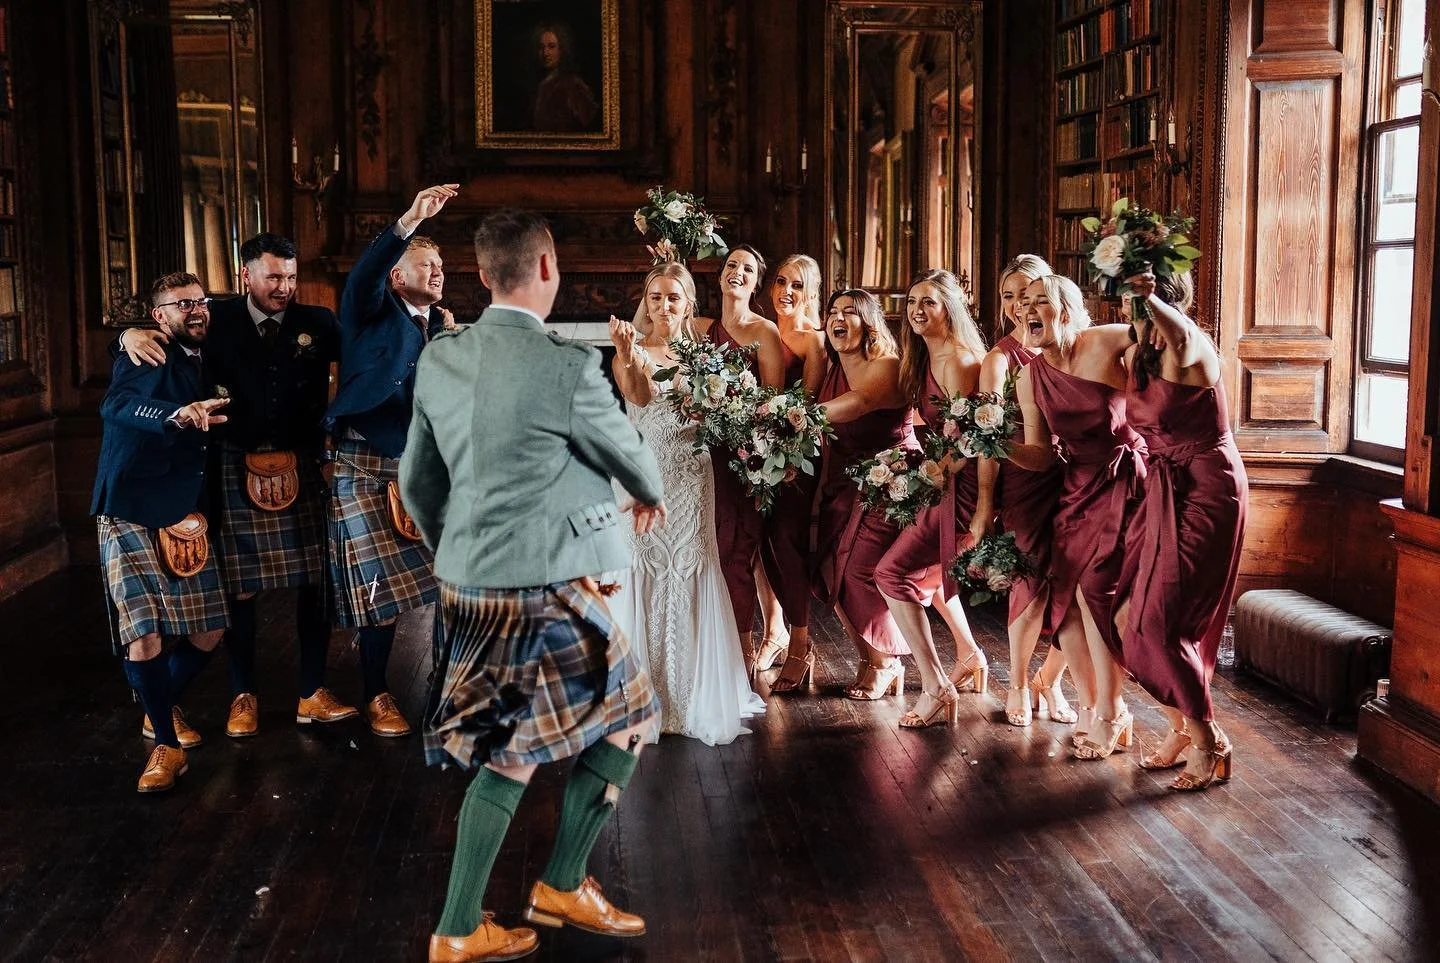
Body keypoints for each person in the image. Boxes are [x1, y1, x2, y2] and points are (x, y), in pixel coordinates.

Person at [399, 208, 665, 961]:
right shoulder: (566, 365)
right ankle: (512, 905)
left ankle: (494, 912)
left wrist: (461, 549)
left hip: (468, 581)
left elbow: (417, 481)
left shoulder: (440, 359)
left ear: (484, 275)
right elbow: (628, 456)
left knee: (511, 746)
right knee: (623, 718)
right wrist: (646, 491)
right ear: (547, 266)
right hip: (540, 588)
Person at [119, 233, 348, 738]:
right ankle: (243, 695)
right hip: (232, 461)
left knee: (316, 581)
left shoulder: (319, 322)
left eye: (291, 277)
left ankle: (312, 691)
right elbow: (166, 327)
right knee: (239, 588)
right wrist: (128, 335)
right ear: (247, 275)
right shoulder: (212, 317)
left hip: (302, 462)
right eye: (274, 276)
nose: (284, 287)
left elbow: (370, 351)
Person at [606, 262, 766, 744]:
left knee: (691, 564)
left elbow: (723, 412)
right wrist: (626, 353)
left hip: (692, 475)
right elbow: (638, 394)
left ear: (688, 304)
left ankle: (693, 696)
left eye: (673, 297)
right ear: (647, 302)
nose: (663, 306)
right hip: (644, 477)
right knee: (643, 568)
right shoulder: (632, 350)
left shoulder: (707, 357)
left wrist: (718, 406)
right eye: (655, 297)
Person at [324, 184, 458, 737]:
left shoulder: (441, 327)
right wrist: (410, 221)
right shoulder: (370, 310)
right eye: (426, 264)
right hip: (363, 464)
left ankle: (447, 689)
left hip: (421, 470)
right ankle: (377, 694)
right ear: (398, 276)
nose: (438, 272)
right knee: (378, 590)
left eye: (441, 266)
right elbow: (365, 274)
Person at [93, 272, 231, 792]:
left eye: (200, 301)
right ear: (158, 316)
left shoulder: (212, 350)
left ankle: (158, 707)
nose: (195, 310)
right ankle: (166, 748)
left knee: (209, 628)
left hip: (185, 508)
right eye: (181, 305)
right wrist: (175, 414)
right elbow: (116, 406)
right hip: (130, 504)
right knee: (144, 632)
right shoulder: (145, 351)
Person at [1115, 270, 1246, 790]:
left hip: (1208, 487)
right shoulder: (1135, 355)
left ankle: (1209, 743)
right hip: (1163, 486)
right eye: (1129, 300)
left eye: (1143, 301)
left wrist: (1149, 297)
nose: (1133, 310)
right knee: (1124, 616)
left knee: (1164, 624)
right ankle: (1182, 729)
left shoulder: (1194, 348)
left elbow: (1181, 334)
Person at [1006, 275, 1145, 760]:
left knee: (1099, 593)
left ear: (1065, 308)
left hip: (1127, 480)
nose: (1027, 310)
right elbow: (1042, 454)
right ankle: (1092, 705)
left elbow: (1169, 348)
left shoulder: (1108, 340)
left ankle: (1113, 709)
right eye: (1023, 303)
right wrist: (998, 446)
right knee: (1064, 600)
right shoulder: (1029, 377)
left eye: (1040, 301)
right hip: (1076, 488)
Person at [774, 289, 913, 699]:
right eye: (833, 311)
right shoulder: (834, 369)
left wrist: (791, 415)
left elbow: (858, 403)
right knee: (829, 571)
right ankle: (871, 658)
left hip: (889, 481)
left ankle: (887, 661)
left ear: (868, 323)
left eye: (849, 312)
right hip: (844, 481)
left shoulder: (886, 365)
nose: (838, 318)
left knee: (856, 571)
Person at [874, 270, 991, 727]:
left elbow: (976, 438)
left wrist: (935, 475)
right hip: (943, 478)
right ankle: (970, 654)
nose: (917, 311)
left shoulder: (959, 360)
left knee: (891, 572)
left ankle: (935, 684)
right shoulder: (924, 357)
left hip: (963, 486)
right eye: (912, 302)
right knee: (929, 573)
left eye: (929, 302)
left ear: (950, 309)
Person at [967, 255, 1074, 728]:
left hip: (1077, 475)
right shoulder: (999, 360)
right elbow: (987, 441)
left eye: (1028, 295)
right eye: (1009, 296)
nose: (1018, 305)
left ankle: (1050, 680)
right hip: (1025, 481)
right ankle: (1016, 684)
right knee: (1029, 584)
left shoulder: (1073, 348)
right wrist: (985, 504)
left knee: (1076, 583)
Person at [697, 245, 785, 672]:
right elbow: (646, 323)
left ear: (756, 284)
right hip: (703, 457)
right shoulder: (700, 328)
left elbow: (773, 403)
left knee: (738, 551)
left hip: (745, 456)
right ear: (719, 276)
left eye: (747, 269)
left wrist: (756, 454)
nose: (737, 272)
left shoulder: (764, 332)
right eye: (731, 265)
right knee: (712, 548)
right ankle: (714, 646)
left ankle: (741, 651)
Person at [753, 254, 828, 675]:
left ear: (811, 292)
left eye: (797, 285)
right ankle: (773, 632)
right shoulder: (762, 330)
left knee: (785, 542)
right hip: (756, 452)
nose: (786, 291)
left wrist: (787, 456)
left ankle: (801, 642)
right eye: (781, 281)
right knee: (758, 544)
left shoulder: (813, 340)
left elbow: (809, 407)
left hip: (797, 455)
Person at [531, 23, 599, 132]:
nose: (545, 53)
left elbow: (588, 123)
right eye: (541, 47)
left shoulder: (573, 84)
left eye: (551, 46)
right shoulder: (540, 85)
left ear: (561, 50)